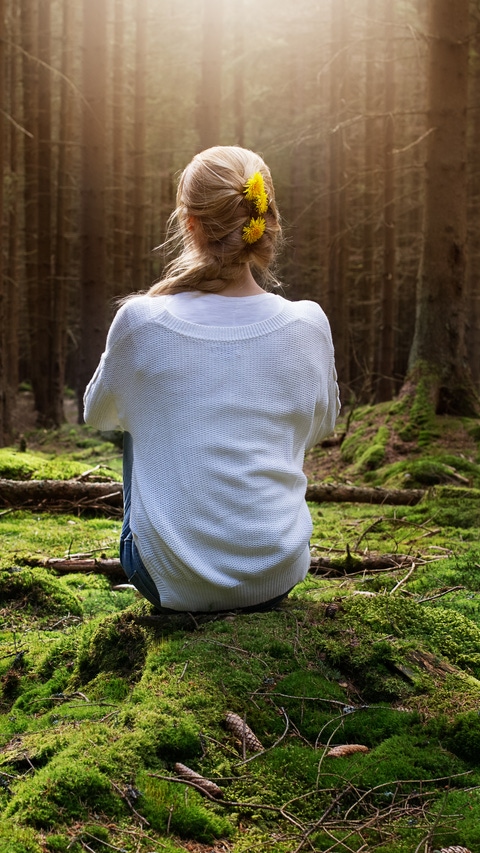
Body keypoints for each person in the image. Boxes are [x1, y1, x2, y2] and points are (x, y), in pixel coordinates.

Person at [83, 145, 340, 614]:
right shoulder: (308, 323)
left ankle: (186, 554)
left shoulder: (141, 320)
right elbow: (321, 426)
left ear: (190, 223)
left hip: (163, 581)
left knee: (136, 423)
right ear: (266, 220)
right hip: (277, 574)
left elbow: (99, 414)